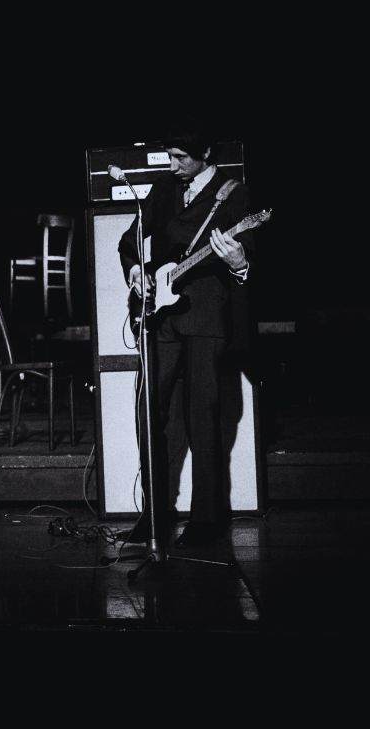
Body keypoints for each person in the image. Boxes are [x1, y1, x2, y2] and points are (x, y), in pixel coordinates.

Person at [118, 129, 255, 548]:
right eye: (170, 156)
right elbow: (130, 240)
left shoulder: (234, 195)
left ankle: (206, 521)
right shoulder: (164, 189)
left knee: (203, 417)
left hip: (206, 317)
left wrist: (239, 262)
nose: (173, 165)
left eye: (181, 157)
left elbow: (250, 261)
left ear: (205, 152)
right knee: (148, 413)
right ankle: (154, 517)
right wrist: (136, 271)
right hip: (162, 317)